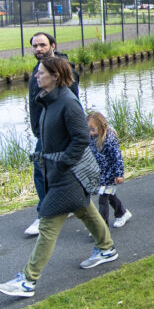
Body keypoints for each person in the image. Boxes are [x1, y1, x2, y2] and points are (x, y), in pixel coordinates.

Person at [0, 57, 117, 298]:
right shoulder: (48, 101)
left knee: (47, 222)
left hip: (69, 174)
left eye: (41, 73)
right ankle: (106, 248)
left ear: (55, 76)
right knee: (85, 209)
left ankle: (28, 280)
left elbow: (82, 138)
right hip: (57, 172)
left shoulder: (68, 103)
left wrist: (63, 163)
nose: (35, 76)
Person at [25, 32, 81, 237]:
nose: (38, 49)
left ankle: (44, 215)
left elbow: (70, 102)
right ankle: (69, 206)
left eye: (42, 45)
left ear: (53, 45)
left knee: (41, 170)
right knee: (58, 171)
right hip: (43, 129)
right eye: (35, 46)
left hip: (55, 131)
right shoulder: (38, 69)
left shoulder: (63, 69)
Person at [87, 112, 131, 228]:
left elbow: (117, 158)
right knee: (110, 196)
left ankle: (102, 227)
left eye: (93, 130)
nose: (90, 133)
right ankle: (122, 213)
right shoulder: (92, 138)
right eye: (89, 130)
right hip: (101, 174)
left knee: (103, 200)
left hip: (111, 175)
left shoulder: (110, 139)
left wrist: (119, 174)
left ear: (101, 127)